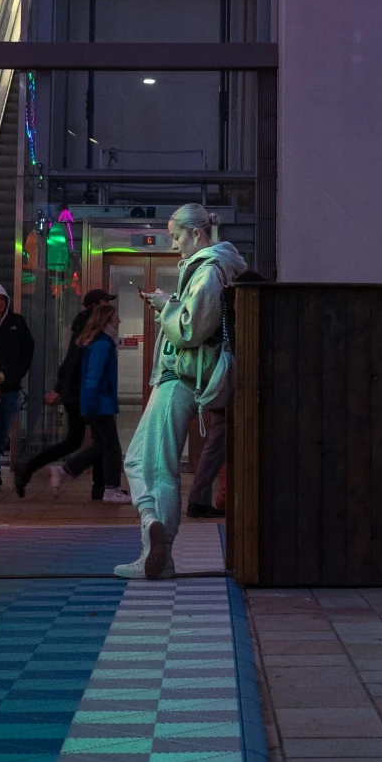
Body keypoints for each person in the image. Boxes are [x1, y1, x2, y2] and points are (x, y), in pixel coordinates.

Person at [118, 204, 244, 580]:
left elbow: (190, 330)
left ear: (196, 233)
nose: (173, 245)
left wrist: (164, 305)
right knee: (140, 459)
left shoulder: (208, 270)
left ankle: (158, 545)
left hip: (180, 379)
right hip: (182, 379)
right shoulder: (215, 268)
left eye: (175, 236)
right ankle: (153, 528)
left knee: (155, 465)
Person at [13, 287, 112, 496]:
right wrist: (64, 390)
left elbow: (69, 362)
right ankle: (41, 469)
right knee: (96, 441)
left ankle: (98, 487)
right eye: (105, 302)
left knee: (89, 440)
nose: (109, 306)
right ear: (95, 306)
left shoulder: (84, 324)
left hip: (77, 392)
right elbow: (72, 362)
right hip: (79, 393)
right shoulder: (88, 327)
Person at [185, 264, 263, 518]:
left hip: (218, 382)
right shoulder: (239, 312)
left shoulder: (222, 307)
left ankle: (208, 498)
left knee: (218, 443)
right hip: (230, 384)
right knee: (218, 444)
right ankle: (200, 500)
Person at [40, 300, 124, 501]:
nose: (119, 320)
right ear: (106, 321)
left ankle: (65, 470)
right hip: (99, 404)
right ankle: (111, 489)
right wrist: (93, 404)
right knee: (112, 447)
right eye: (115, 318)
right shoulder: (102, 344)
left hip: (96, 403)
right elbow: (93, 376)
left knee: (101, 446)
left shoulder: (98, 343)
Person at [0, 281, 33, 491]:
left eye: (2, 299)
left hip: (10, 388)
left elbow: (29, 347)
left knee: (3, 433)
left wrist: (19, 371)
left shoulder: (17, 322)